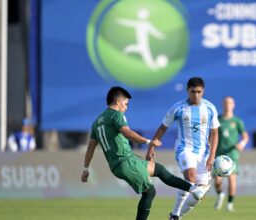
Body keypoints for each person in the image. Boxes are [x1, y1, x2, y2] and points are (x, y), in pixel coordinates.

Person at [81, 86, 210, 220]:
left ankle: (194, 189)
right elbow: (127, 132)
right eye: (126, 104)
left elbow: (90, 147)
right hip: (125, 161)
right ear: (118, 101)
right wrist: (149, 142)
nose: (126, 107)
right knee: (149, 192)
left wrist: (85, 168)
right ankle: (194, 190)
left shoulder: (96, 122)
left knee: (159, 170)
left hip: (121, 163)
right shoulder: (117, 115)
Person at [146, 77, 220, 219]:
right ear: (187, 91)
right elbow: (163, 128)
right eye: (193, 92)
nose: (196, 95)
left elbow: (215, 133)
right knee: (191, 178)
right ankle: (175, 214)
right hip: (184, 149)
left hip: (204, 153)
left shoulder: (210, 108)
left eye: (199, 92)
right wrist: (151, 148)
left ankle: (176, 216)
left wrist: (212, 155)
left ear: (203, 90)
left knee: (199, 193)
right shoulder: (178, 108)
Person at [213, 96, 249, 212]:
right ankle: (220, 194)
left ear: (233, 105)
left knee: (232, 179)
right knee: (217, 181)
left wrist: (242, 144)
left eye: (230, 103)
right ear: (223, 105)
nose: (228, 105)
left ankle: (230, 204)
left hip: (232, 154)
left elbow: (245, 136)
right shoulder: (217, 119)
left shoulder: (237, 121)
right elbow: (212, 135)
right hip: (219, 153)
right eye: (226, 103)